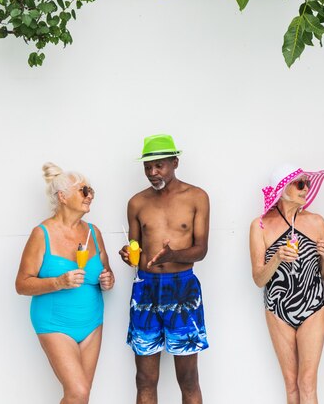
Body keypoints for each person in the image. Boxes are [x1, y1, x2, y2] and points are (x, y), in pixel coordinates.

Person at [119, 134, 210, 404]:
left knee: (189, 378)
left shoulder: (197, 197)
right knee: (144, 379)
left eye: (159, 165)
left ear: (175, 162)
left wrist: (173, 255)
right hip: (145, 289)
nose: (152, 172)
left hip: (183, 287)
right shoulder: (136, 202)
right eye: (148, 167)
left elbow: (202, 249)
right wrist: (128, 255)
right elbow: (135, 249)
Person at [16, 162, 115, 404]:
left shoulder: (94, 232)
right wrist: (58, 282)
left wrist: (108, 279)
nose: (89, 195)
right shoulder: (42, 234)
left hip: (92, 322)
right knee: (78, 392)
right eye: (83, 190)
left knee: (80, 396)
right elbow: (21, 284)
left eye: (90, 190)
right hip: (55, 323)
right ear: (62, 196)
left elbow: (106, 271)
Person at [249, 164, 324, 404]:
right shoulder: (260, 225)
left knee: (307, 382)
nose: (305, 188)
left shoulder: (317, 222)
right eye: (300, 184)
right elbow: (258, 279)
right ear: (282, 189)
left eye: (307, 183)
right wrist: (276, 258)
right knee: (291, 383)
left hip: (314, 305)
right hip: (277, 308)